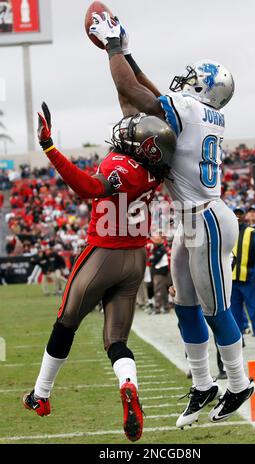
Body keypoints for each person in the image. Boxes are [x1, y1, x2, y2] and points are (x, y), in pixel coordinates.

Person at [89, 14, 255, 426]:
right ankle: (203, 384)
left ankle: (238, 383)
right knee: (185, 306)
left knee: (215, 308)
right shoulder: (199, 113)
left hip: (209, 221)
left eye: (192, 78)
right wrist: (127, 53)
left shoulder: (190, 111)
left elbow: (132, 92)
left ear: (204, 88)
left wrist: (112, 48)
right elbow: (150, 92)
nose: (183, 83)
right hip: (192, 220)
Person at [22, 103, 176, 442]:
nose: (125, 133)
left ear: (144, 147)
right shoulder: (158, 169)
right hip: (136, 258)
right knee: (116, 340)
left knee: (65, 323)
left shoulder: (120, 164)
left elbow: (90, 188)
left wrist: (50, 148)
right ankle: (128, 384)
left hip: (104, 253)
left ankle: (41, 396)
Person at [231, 207, 255, 348]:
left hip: (248, 280)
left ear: (244, 216)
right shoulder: (227, 232)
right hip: (232, 280)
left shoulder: (251, 233)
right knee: (234, 313)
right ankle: (238, 339)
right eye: (235, 214)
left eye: (240, 214)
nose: (238, 216)